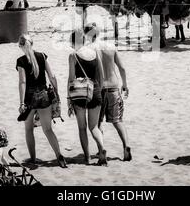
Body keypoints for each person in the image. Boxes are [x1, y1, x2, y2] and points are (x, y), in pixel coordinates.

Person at [16, 34, 67, 168]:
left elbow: (22, 82)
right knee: (48, 129)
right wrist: (56, 93)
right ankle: (59, 155)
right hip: (44, 96)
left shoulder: (21, 61)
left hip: (29, 99)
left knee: (28, 130)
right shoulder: (43, 56)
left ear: (20, 46)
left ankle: (33, 158)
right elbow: (52, 76)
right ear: (32, 44)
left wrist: (21, 103)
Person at [84, 23, 132, 161]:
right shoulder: (111, 46)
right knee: (118, 121)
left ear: (87, 34)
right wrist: (125, 85)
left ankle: (101, 151)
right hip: (113, 87)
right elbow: (122, 68)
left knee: (97, 124)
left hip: (98, 89)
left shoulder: (88, 49)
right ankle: (126, 146)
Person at [67, 29, 107, 165]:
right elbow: (101, 76)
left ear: (73, 42)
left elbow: (71, 79)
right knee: (94, 127)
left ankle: (88, 157)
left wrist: (69, 99)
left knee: (82, 127)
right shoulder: (95, 53)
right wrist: (98, 91)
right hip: (95, 92)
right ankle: (102, 148)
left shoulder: (73, 56)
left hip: (79, 94)